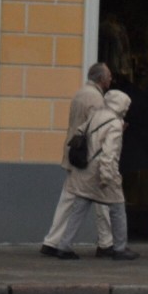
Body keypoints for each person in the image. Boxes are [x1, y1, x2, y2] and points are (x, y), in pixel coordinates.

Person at [40, 63, 115, 260]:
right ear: (101, 79)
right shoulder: (96, 98)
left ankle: (52, 241)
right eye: (109, 76)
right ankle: (106, 244)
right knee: (102, 198)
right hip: (88, 157)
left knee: (68, 198)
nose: (111, 79)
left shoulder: (81, 93)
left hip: (75, 153)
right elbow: (98, 127)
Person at [55, 90, 140, 261]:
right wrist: (107, 178)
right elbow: (110, 154)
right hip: (101, 173)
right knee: (118, 208)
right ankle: (120, 248)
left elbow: (80, 131)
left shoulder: (96, 115)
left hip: (84, 170)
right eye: (126, 106)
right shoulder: (115, 124)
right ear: (121, 105)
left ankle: (64, 245)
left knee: (79, 208)